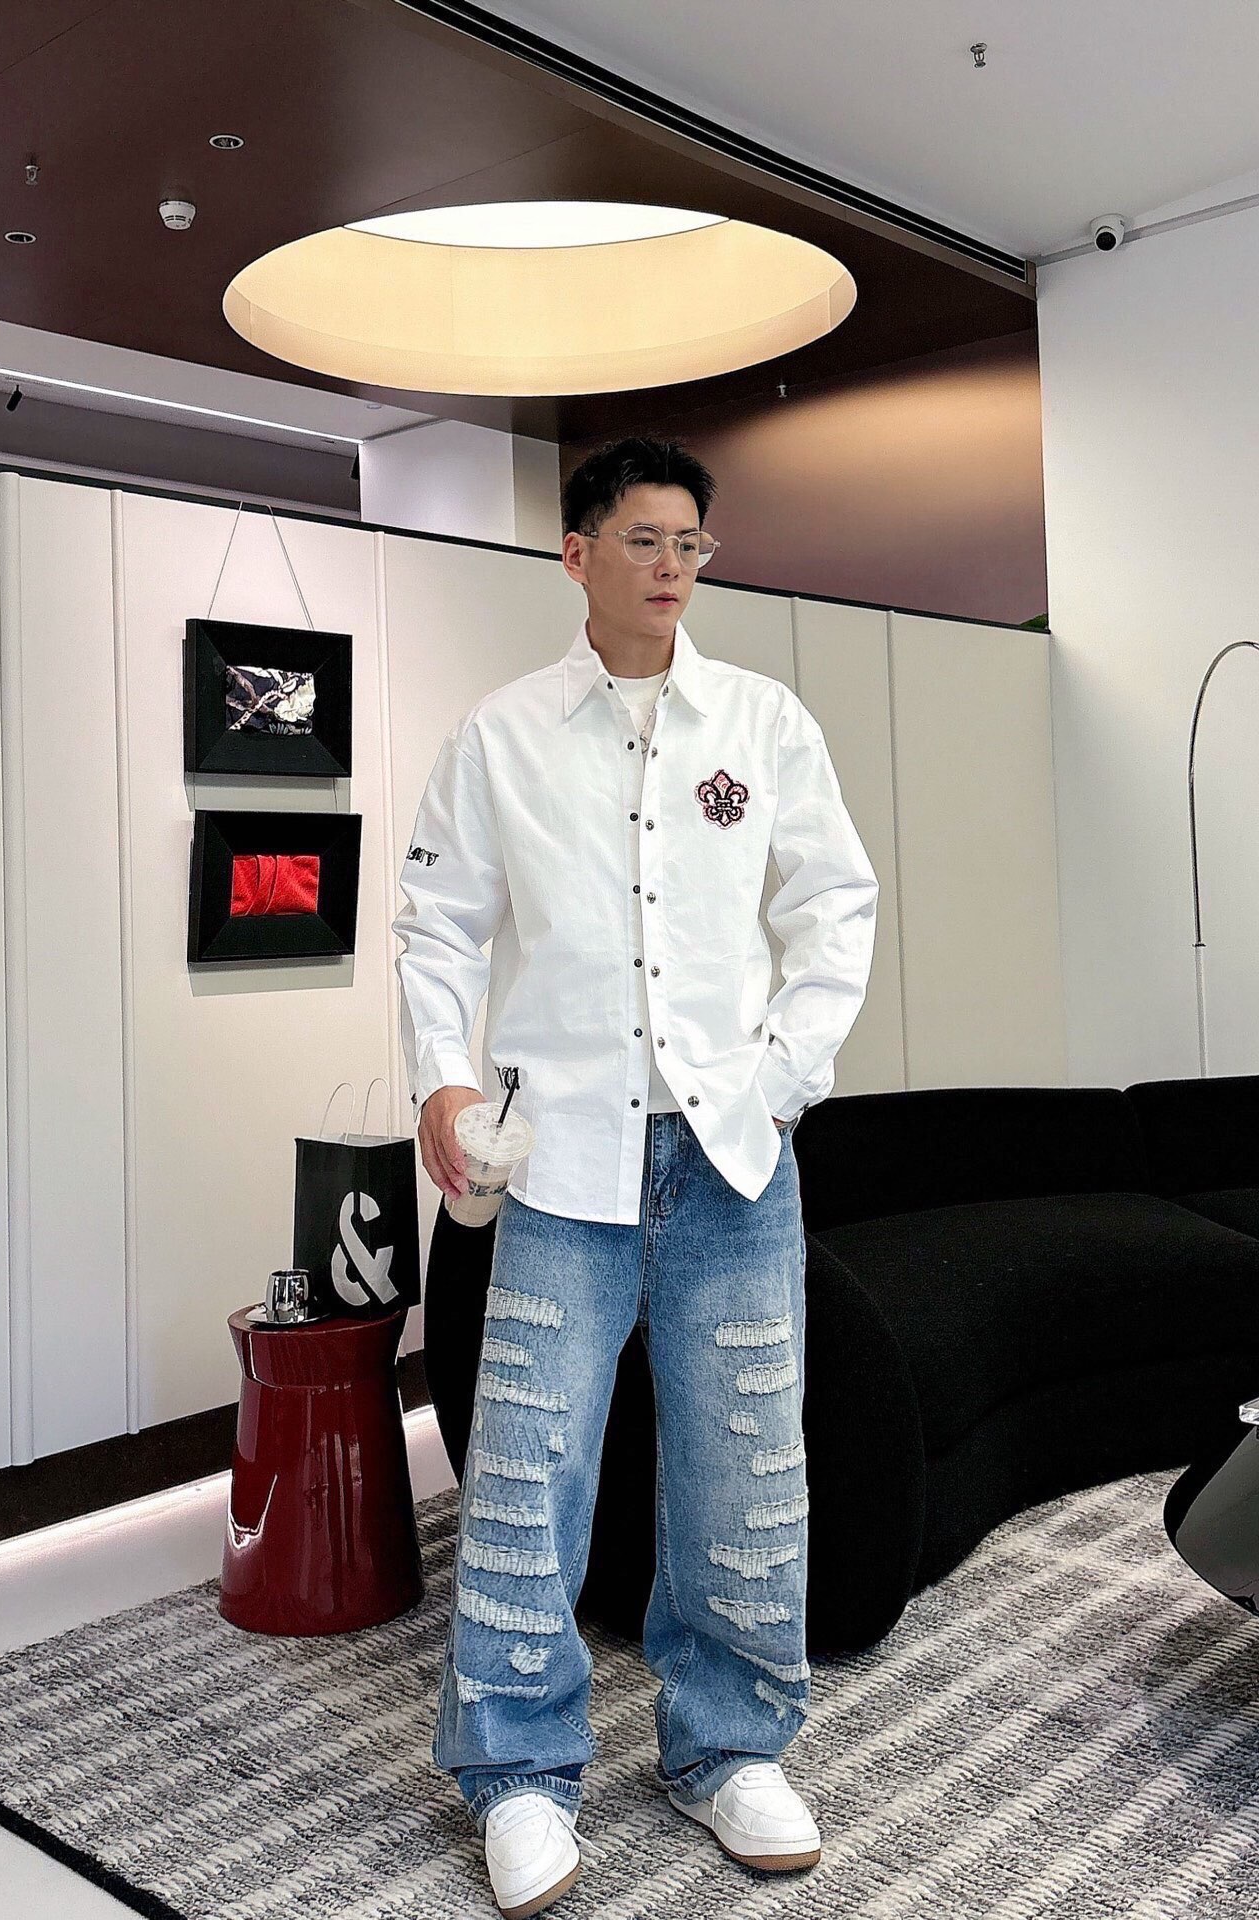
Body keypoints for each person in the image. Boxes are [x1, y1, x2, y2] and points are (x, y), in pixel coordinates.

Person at [392, 435, 880, 1918]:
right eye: (646, 540)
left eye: (691, 544)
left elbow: (836, 907)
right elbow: (436, 927)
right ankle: (520, 1775)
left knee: (747, 1467)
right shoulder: (501, 737)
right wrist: (443, 1079)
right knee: (528, 1475)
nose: (673, 567)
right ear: (578, 552)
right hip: (561, 1166)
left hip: (731, 1161)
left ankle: (729, 1746)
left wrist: (781, 1081)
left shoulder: (764, 724)